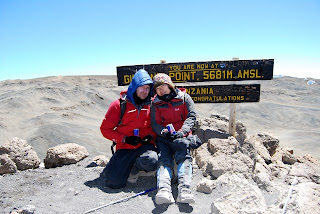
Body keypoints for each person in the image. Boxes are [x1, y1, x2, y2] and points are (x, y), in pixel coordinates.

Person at [100, 69, 158, 189]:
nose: (145, 91)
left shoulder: (151, 104)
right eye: (142, 87)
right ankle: (119, 165)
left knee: (152, 161)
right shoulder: (119, 105)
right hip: (125, 146)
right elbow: (105, 129)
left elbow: (156, 125)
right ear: (135, 86)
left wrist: (151, 136)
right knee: (113, 183)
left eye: (148, 88)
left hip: (144, 146)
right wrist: (124, 139)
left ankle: (135, 166)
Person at [151, 73, 197, 205]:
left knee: (183, 155)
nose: (161, 90)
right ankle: (164, 189)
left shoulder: (184, 98)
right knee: (164, 158)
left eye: (163, 86)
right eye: (157, 88)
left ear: (170, 85)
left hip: (181, 136)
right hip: (164, 137)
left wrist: (182, 132)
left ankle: (185, 189)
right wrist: (164, 132)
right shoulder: (156, 103)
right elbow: (155, 123)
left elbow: (191, 116)